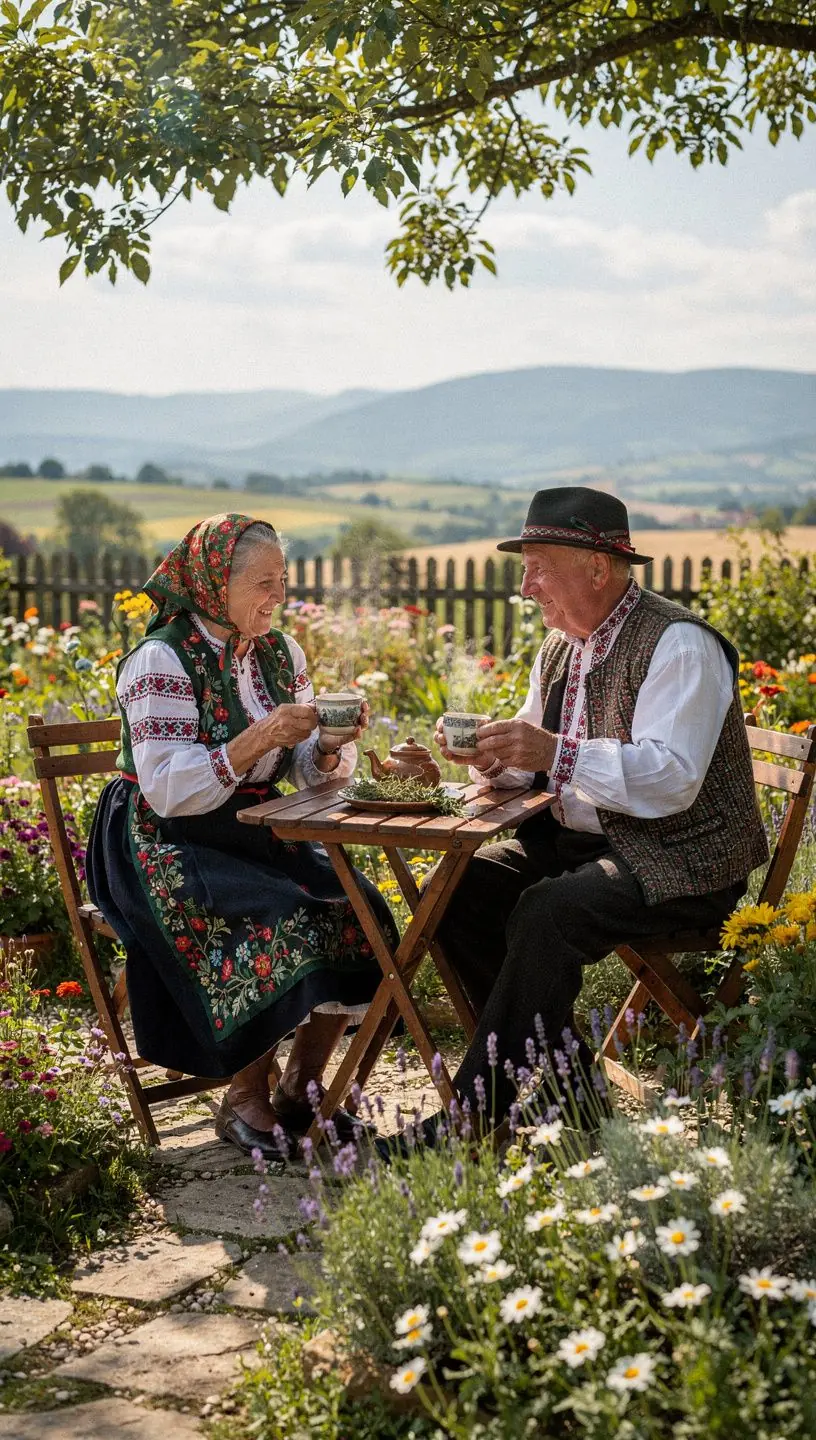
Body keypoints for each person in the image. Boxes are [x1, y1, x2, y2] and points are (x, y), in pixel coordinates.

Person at [431, 486, 769, 1126]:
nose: (527, 587)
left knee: (548, 911)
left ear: (597, 566)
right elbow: (540, 752)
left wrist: (553, 752)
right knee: (457, 887)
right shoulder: (562, 645)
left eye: (539, 568)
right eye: (524, 570)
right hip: (589, 847)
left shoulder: (679, 645)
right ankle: (572, 1098)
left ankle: (473, 1118)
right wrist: (491, 759)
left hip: (683, 861)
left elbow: (671, 778)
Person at [87, 514, 397, 1159]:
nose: (276, 598)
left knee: (360, 911)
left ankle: (301, 1091)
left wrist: (328, 748)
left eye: (281, 581)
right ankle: (245, 1096)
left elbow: (307, 766)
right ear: (211, 584)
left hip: (258, 824)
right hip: (161, 835)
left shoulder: (282, 654)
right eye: (262, 583)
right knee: (268, 918)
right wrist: (260, 735)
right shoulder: (161, 658)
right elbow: (169, 787)